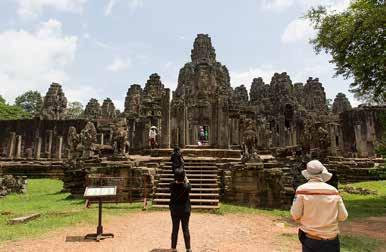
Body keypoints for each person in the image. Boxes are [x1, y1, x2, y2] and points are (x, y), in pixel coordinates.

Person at [291, 160, 348, 252]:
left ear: (308, 173)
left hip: (311, 239)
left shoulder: (302, 190)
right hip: (332, 240)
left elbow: (295, 215)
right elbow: (343, 216)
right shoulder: (333, 191)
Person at [169, 168, 192, 252]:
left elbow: (174, 183)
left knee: (175, 228)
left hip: (175, 210)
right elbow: (188, 184)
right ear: (183, 177)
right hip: (185, 210)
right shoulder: (187, 187)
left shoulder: (171, 185)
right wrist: (185, 178)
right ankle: (188, 248)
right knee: (185, 228)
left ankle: (173, 248)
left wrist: (178, 178)